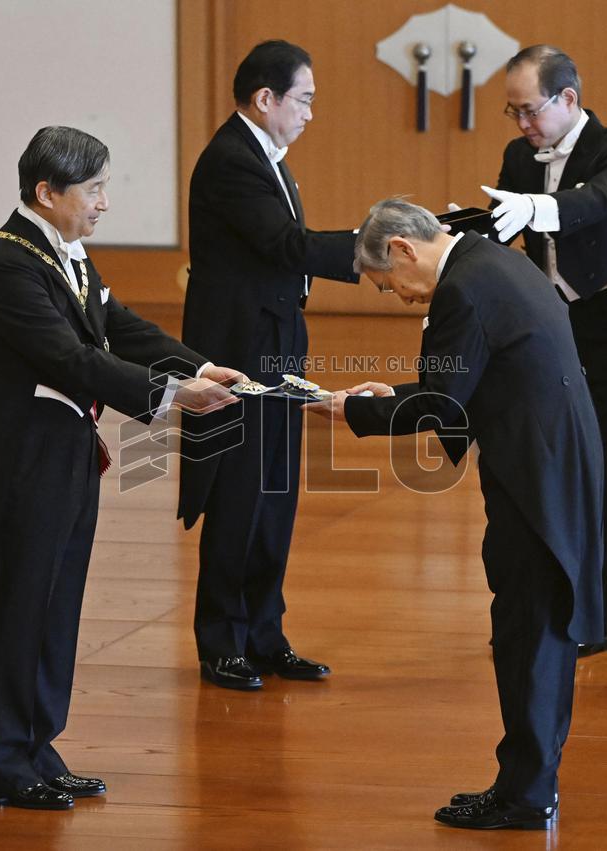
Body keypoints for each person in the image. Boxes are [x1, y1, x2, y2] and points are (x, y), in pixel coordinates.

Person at [0, 126, 243, 810]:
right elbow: (72, 360)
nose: (104, 203)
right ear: (46, 193)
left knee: (55, 605)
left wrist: (197, 365)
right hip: (20, 461)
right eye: (94, 190)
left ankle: (38, 743)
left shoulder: (70, 254)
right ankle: (1, 759)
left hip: (66, 454)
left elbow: (121, 326)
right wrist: (174, 396)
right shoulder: (8, 266)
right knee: (18, 605)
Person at [305, 198, 603, 830]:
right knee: (530, 626)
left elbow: (441, 404)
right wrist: (396, 394)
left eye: (388, 282)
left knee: (529, 632)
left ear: (403, 250)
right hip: (552, 460)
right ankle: (524, 783)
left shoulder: (461, 290)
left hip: (536, 478)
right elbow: (461, 383)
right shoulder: (489, 259)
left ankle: (525, 796)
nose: (398, 296)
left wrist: (351, 412)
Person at [178, 40, 358, 690]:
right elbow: (285, 246)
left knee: (275, 494)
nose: (311, 112)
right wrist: (369, 251)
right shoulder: (232, 160)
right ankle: (222, 640)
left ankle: (264, 633)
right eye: (304, 99)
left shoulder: (269, 159)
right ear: (266, 98)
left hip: (276, 344)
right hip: (240, 354)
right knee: (239, 496)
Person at [480, 44, 607, 656]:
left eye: (530, 111)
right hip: (551, 326)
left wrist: (537, 208)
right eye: (514, 114)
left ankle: (597, 620)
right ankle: (545, 606)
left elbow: (598, 201)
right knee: (549, 463)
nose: (523, 126)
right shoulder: (519, 155)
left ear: (568, 100)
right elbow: (499, 227)